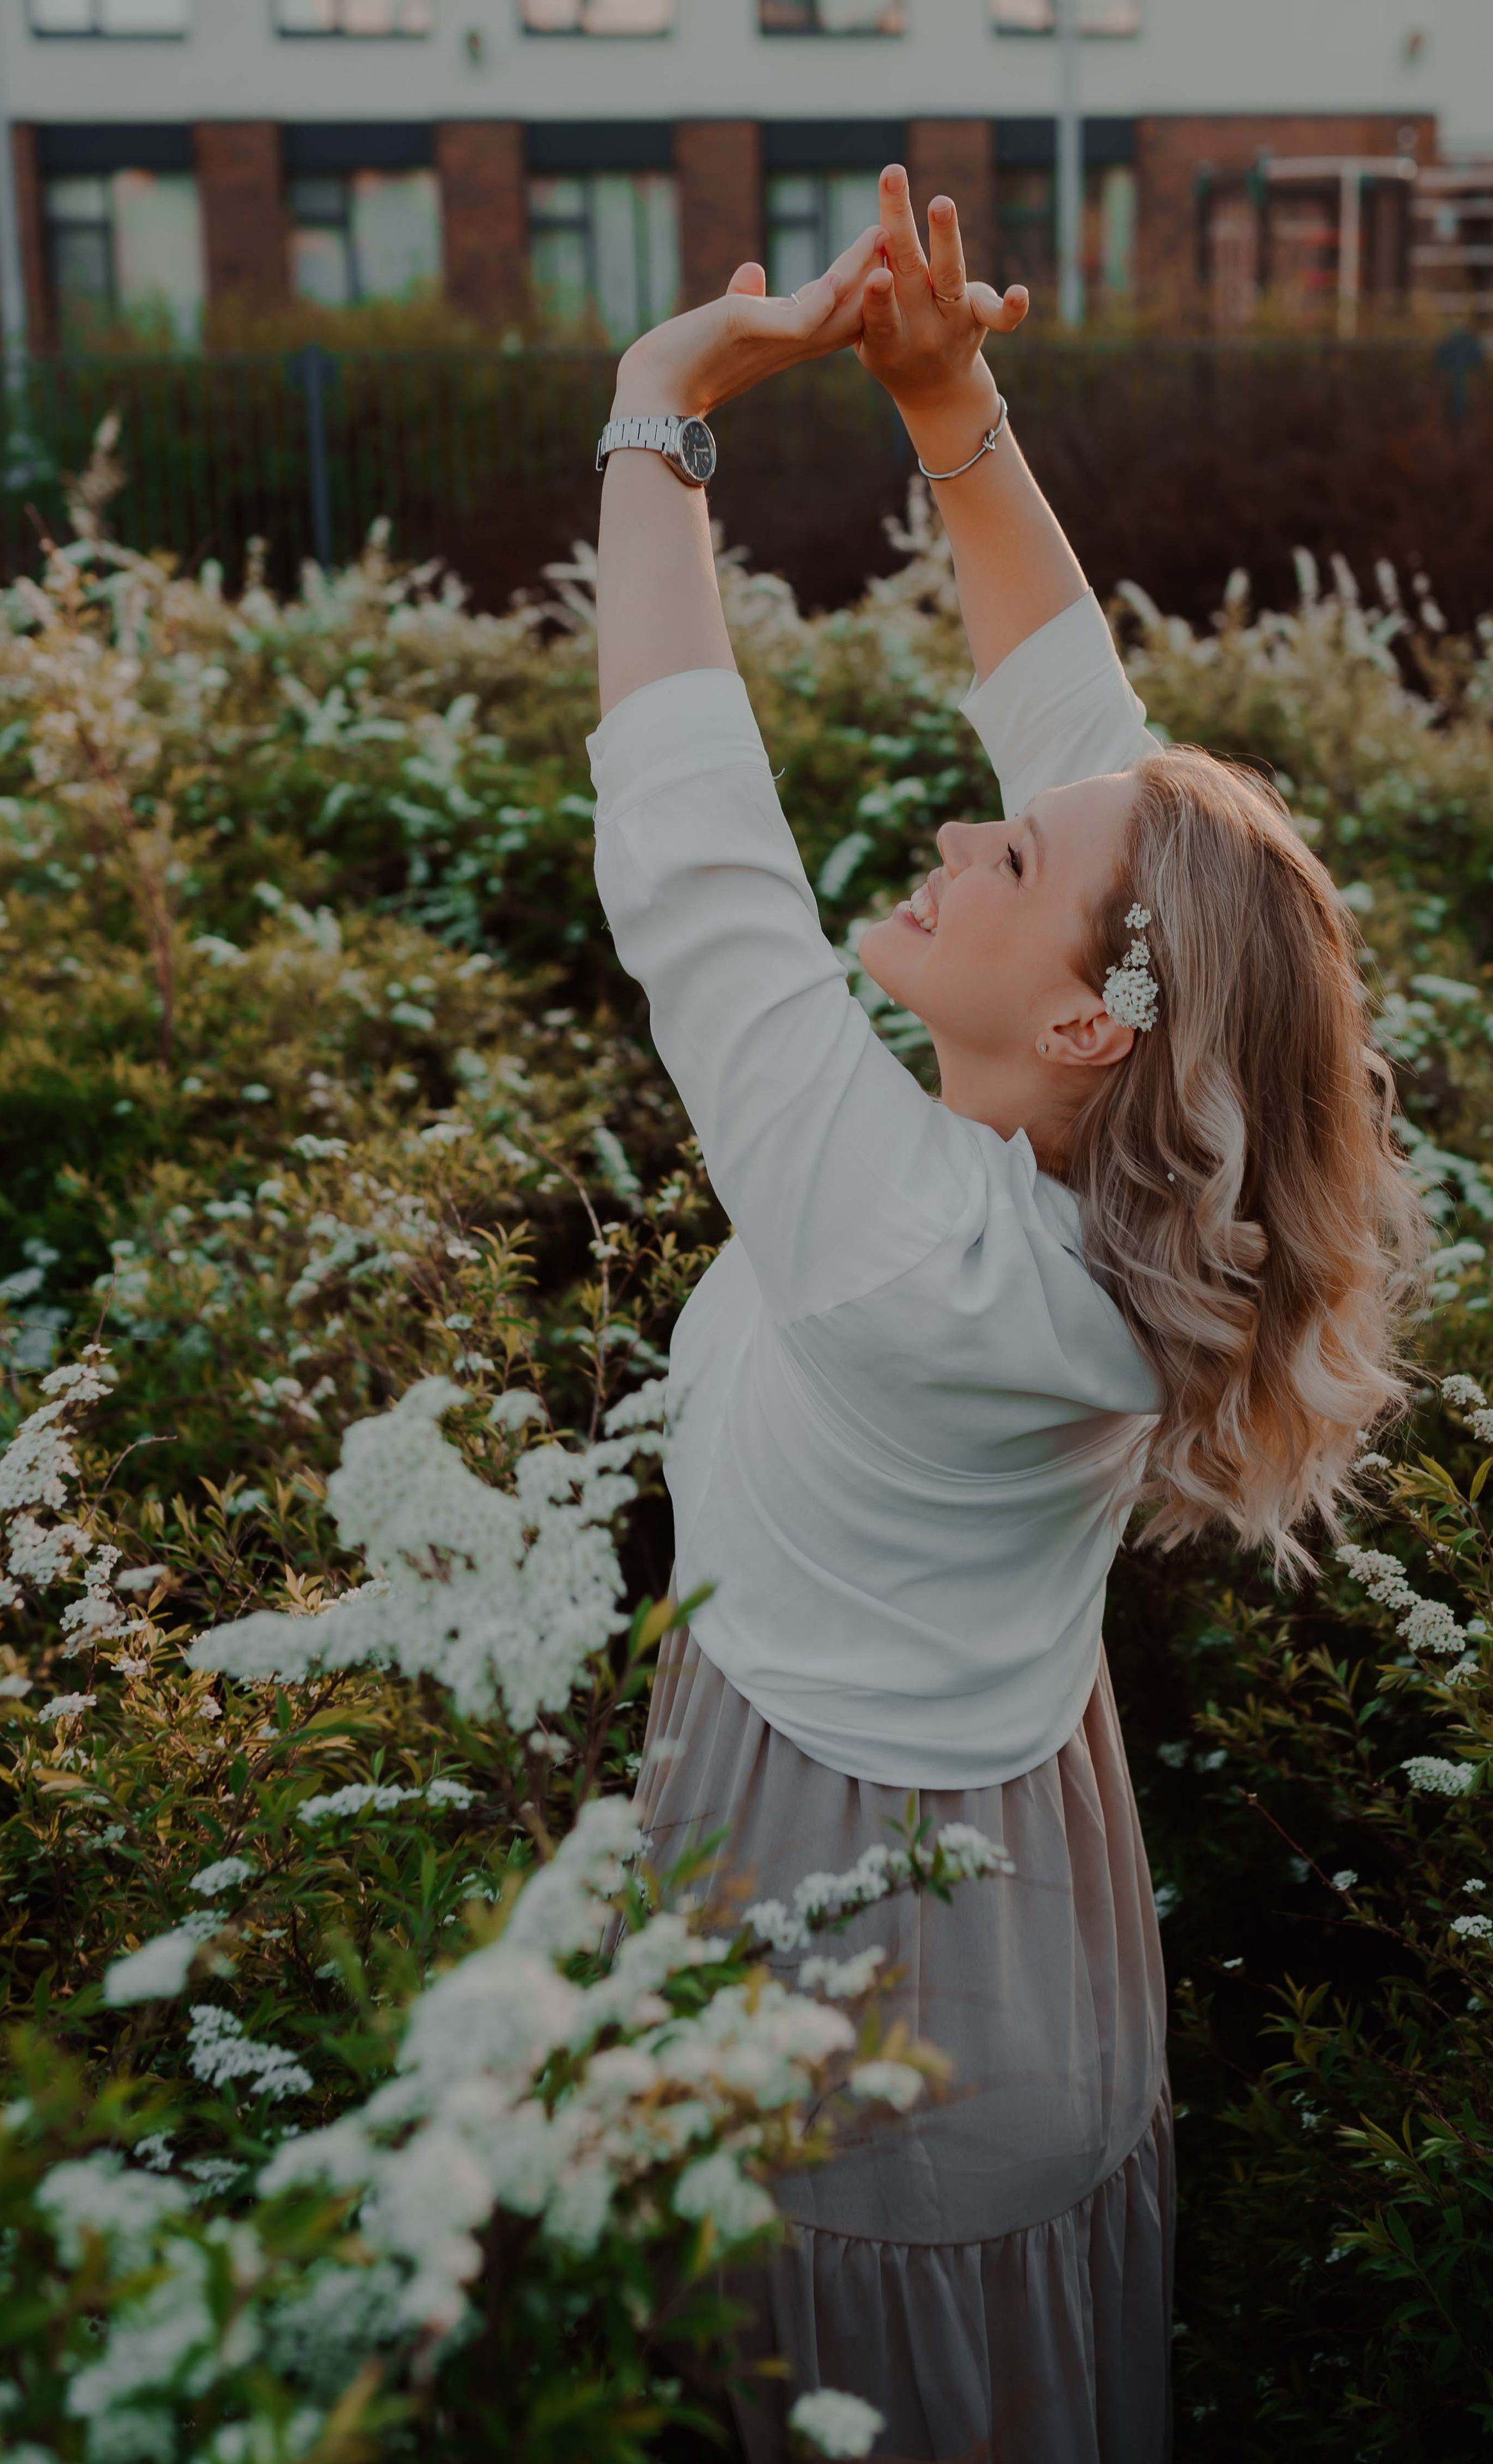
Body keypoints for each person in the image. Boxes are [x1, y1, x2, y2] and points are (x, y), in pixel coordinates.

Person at [588, 167, 1426, 2464]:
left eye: (1009, 860)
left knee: (835, 2370)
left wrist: (657, 414)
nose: (961, 836)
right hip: (1021, 1866)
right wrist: (949, 406)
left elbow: (696, 866)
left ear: (1080, 1028)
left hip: (835, 1875)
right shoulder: (1137, 1188)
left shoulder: (902, 1240)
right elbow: (1086, 744)